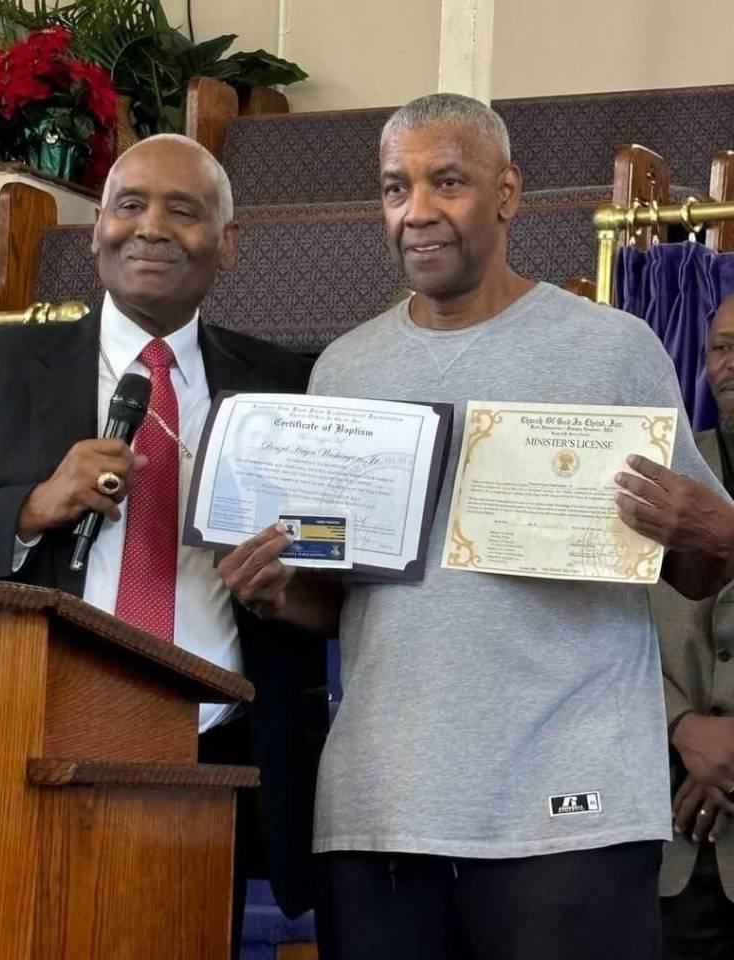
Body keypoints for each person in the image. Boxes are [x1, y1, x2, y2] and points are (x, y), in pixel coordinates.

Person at [218, 94, 734, 960]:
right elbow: (339, 603)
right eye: (395, 188)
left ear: (506, 192)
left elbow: (696, 569)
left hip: (571, 809)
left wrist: (711, 523)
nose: (416, 210)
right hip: (383, 807)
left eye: (446, 181)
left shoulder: (614, 348)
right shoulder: (345, 367)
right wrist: (275, 593)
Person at [0, 134, 326, 944]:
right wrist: (28, 508)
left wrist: (289, 592)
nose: (151, 228)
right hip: (24, 744)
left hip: (216, 759)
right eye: (129, 206)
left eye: (184, 209)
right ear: (96, 231)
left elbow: (338, 580)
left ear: (228, 244)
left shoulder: (291, 386)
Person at [652, 293, 734, 959]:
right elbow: (608, 625)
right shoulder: (663, 482)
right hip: (675, 833)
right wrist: (684, 726)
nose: (730, 364)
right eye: (721, 348)